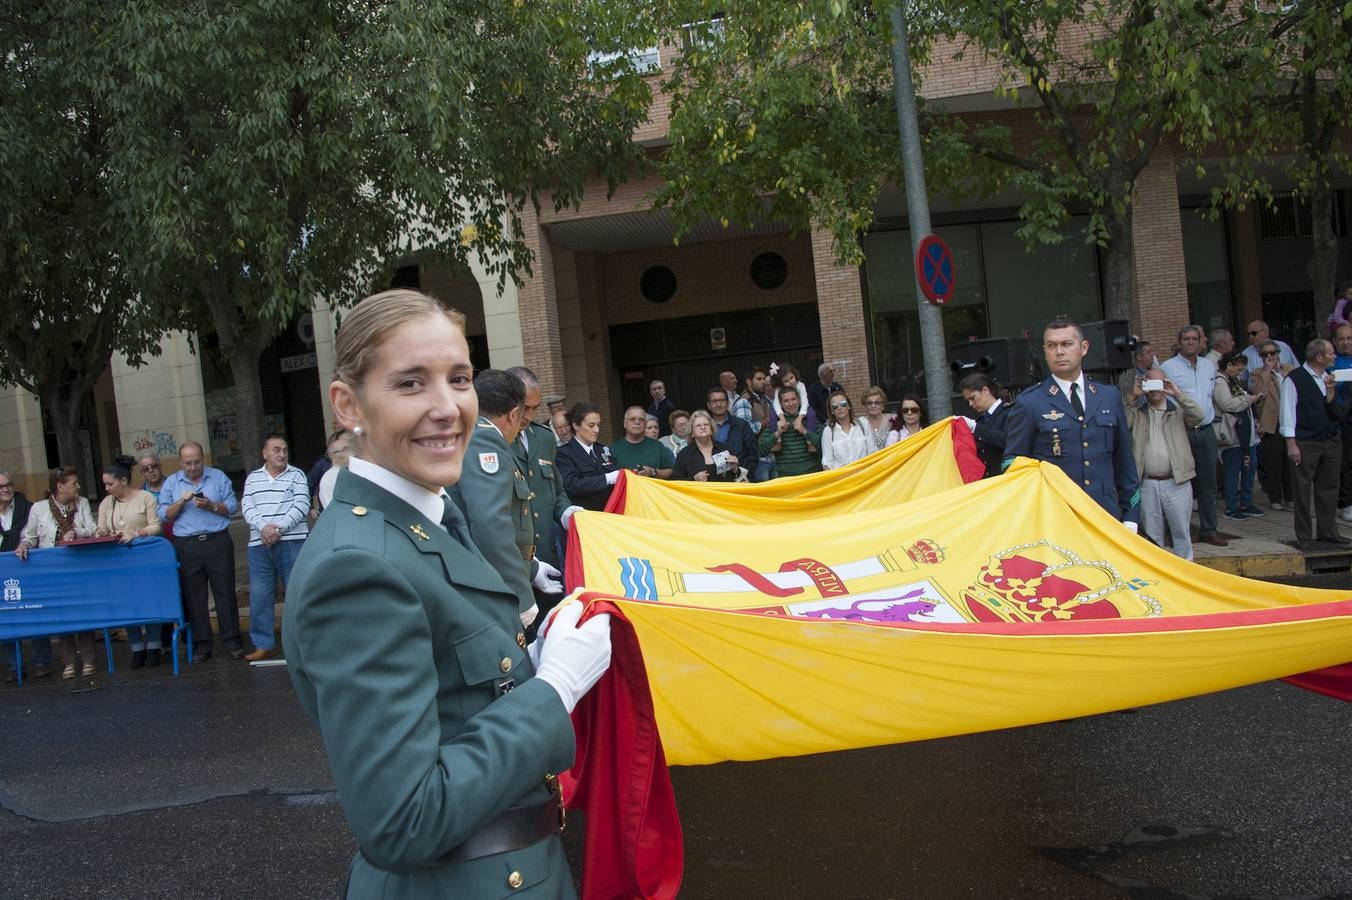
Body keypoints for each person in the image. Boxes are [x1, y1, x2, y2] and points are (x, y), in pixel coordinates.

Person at [282, 289, 611, 898]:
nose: (447, 407)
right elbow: (403, 819)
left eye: (459, 379)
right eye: (410, 384)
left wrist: (534, 659)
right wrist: (553, 688)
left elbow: (457, 700)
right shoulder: (356, 567)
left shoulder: (427, 518)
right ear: (348, 405)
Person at [448, 369, 562, 629]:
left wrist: (530, 567)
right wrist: (521, 596)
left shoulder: (474, 434)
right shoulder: (485, 440)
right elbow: (490, 524)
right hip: (488, 584)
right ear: (513, 414)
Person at [1003, 320, 1141, 527]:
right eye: (1052, 346)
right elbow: (1012, 465)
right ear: (1045, 351)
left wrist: (1131, 517)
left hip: (1105, 514)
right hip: (1055, 518)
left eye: (1067, 344)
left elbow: (1124, 463)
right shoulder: (1030, 402)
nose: (1059, 352)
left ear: (1083, 347)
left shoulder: (1108, 396)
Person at [506, 365, 581, 627]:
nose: (528, 415)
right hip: (514, 561)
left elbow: (556, 489)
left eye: (534, 408)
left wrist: (567, 512)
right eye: (523, 407)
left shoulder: (544, 438)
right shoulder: (496, 439)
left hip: (548, 560)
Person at [158, 440, 244, 664]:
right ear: (180, 462)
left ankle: (232, 641)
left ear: (202, 459)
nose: (193, 467)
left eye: (197, 462)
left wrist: (210, 505)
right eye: (188, 463)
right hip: (187, 544)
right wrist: (181, 501)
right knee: (195, 597)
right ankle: (202, 645)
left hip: (217, 540)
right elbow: (164, 514)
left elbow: (232, 506)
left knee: (225, 592)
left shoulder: (218, 477)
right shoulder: (172, 483)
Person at [17, 467, 98, 678]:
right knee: (63, 617)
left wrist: (76, 532)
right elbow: (30, 535)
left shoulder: (82, 503)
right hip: (54, 572)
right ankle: (68, 662)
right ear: (60, 486)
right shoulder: (39, 508)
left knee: (84, 614)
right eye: (74, 484)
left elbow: (92, 528)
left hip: (80, 568)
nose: (78, 487)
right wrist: (25, 544)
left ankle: (89, 660)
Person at [240, 434, 310, 661]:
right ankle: (263, 644)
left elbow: (301, 505)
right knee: (260, 596)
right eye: (276, 450)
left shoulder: (297, 475)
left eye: (285, 450)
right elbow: (247, 506)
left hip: (292, 540)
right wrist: (263, 528)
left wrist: (277, 529)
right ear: (265, 453)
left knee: (297, 593)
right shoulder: (253, 479)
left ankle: (302, 643)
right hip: (259, 544)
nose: (282, 454)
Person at [1279, 338, 1350, 550]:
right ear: (1319, 357)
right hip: (1305, 441)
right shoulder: (1294, 379)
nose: (1334, 356)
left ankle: (1328, 532)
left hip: (1330, 440)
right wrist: (1291, 444)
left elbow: (1333, 412)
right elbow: (1287, 413)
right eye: (1330, 353)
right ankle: (1304, 536)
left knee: (1329, 487)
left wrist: (1331, 393)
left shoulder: (1329, 377)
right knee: (1302, 490)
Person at [1125, 370, 1203, 560]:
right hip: (1146, 483)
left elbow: (1199, 416)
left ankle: (1186, 576)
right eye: (1150, 383)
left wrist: (1177, 393)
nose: (1155, 388)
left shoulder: (1177, 411)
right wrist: (1132, 398)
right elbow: (1121, 424)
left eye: (1159, 383)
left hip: (1176, 482)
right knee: (1152, 538)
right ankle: (1159, 580)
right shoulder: (1138, 413)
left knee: (1182, 534)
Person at [96, 456, 165, 668]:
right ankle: (136, 647)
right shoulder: (106, 503)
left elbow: (156, 525)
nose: (106, 488)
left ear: (123, 481)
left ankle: (154, 645)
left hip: (144, 558)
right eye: (104, 484)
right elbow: (100, 528)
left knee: (150, 601)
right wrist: (102, 533)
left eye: (110, 483)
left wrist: (137, 533)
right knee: (127, 604)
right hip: (118, 561)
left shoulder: (145, 498)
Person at [1161, 325, 1225, 547]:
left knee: (1208, 484)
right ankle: (1175, 531)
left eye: (1194, 339)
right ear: (1179, 342)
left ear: (1201, 341)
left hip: (1206, 430)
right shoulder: (1168, 367)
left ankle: (1209, 529)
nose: (1190, 342)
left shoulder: (1208, 366)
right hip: (1181, 432)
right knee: (1179, 482)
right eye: (1186, 339)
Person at [0, 469, 43, 682]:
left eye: (8, 484)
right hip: (2, 574)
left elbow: (35, 533)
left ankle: (41, 662)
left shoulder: (29, 507)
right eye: (1, 487)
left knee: (35, 613)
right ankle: (12, 665)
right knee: (5, 619)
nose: (6, 489)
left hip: (28, 568)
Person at [1213, 352, 1264, 521]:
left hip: (1246, 433)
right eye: (1237, 365)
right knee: (1233, 471)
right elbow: (1226, 404)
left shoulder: (1236, 381)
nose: (1241, 369)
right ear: (1228, 365)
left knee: (1250, 467)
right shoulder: (1220, 381)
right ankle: (1231, 507)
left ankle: (1246, 503)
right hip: (1232, 434)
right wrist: (1249, 399)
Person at [1251, 340, 1296, 511]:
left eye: (1272, 353)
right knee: (1274, 461)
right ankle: (1275, 497)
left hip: (1289, 419)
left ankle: (1291, 496)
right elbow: (1258, 394)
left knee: (1290, 461)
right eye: (1265, 354)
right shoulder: (1257, 373)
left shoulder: (1289, 369)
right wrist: (1267, 372)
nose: (1269, 357)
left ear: (1278, 353)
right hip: (1271, 422)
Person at [556, 401, 621, 511]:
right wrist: (607, 479)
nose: (597, 430)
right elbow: (572, 486)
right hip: (585, 517)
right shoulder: (564, 453)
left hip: (610, 514)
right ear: (576, 425)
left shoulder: (602, 450)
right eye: (591, 425)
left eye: (598, 425)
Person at [759, 385, 822, 477]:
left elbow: (824, 446)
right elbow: (761, 450)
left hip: (812, 474)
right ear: (780, 404)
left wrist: (805, 431)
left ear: (799, 400)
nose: (791, 404)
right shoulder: (775, 422)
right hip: (785, 477)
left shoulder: (810, 419)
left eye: (793, 399)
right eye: (786, 401)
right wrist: (777, 433)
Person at [959, 374, 1010, 478]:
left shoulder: (1011, 411)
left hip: (1008, 478)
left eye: (972, 398)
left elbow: (1008, 440)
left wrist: (975, 428)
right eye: (968, 400)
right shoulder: (981, 420)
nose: (970, 404)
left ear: (986, 390)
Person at [673, 410, 744, 481]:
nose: (703, 427)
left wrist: (735, 469)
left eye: (706, 424)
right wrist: (693, 479)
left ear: (711, 431)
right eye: (698, 425)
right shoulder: (684, 454)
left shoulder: (724, 449)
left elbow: (736, 477)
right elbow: (676, 481)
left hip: (723, 491)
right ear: (692, 433)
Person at [609, 406, 676, 478]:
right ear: (625, 423)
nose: (637, 422)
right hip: (626, 489)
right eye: (632, 419)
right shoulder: (613, 449)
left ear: (645, 423)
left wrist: (653, 472)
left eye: (641, 419)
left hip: (651, 488)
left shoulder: (658, 446)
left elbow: (671, 471)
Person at [736, 368, 778, 482]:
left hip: (772, 456)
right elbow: (745, 430)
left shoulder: (764, 399)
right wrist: (765, 422)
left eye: (764, 379)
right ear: (749, 382)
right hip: (757, 461)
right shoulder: (744, 401)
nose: (763, 382)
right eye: (759, 379)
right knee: (763, 497)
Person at [705, 387, 758, 467]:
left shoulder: (742, 425)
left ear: (728, 403)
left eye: (722, 400)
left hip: (739, 475)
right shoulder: (703, 428)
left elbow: (752, 453)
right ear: (709, 405)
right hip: (713, 477)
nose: (718, 404)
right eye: (714, 401)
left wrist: (745, 475)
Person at [1332, 325, 1352, 520]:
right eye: (1342, 339)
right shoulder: (1331, 361)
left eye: (1349, 338)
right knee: (1347, 462)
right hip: (1342, 420)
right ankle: (1346, 502)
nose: (1346, 342)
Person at [820, 391, 869, 469]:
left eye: (843, 403)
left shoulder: (863, 424)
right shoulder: (828, 431)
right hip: (842, 478)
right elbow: (827, 462)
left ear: (849, 406)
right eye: (834, 406)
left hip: (865, 476)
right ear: (831, 411)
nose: (839, 408)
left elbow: (873, 452)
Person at [316, 430, 354, 513]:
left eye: (348, 448)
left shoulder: (360, 470)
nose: (351, 452)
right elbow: (330, 508)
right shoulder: (328, 478)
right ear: (334, 455)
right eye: (345, 449)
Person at [138, 452, 173, 541]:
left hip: (176, 538)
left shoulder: (175, 486)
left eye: (153, 466)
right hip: (153, 540)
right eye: (146, 469)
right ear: (142, 473)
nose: (151, 470)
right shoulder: (138, 495)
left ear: (160, 466)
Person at [771, 364, 814, 430]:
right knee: (773, 414)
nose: (790, 382)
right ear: (780, 383)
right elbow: (776, 404)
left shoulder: (800, 385)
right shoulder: (779, 389)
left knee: (811, 413)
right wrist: (782, 418)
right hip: (785, 408)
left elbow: (804, 401)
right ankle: (776, 435)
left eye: (791, 378)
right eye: (786, 381)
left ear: (795, 375)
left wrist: (800, 417)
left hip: (800, 406)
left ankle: (811, 432)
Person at [857, 386, 891, 456]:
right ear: (865, 405)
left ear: (883, 405)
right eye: (869, 403)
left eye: (877, 403)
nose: (873, 405)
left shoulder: (892, 419)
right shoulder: (860, 423)